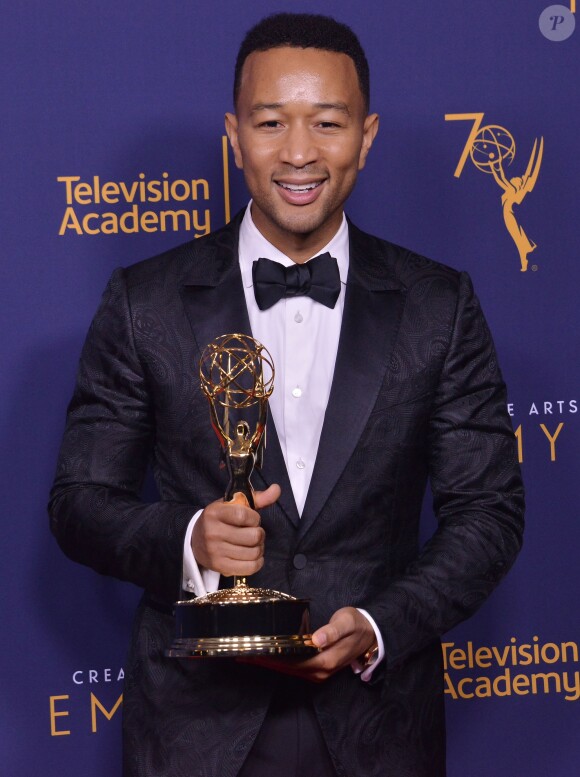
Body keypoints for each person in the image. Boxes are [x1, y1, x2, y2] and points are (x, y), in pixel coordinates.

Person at [49, 12, 524, 777]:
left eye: (327, 123)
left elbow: (489, 512)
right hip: (197, 730)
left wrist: (378, 622)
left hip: (378, 725)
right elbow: (78, 502)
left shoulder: (441, 304)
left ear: (365, 137)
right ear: (233, 136)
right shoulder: (146, 301)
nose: (299, 152)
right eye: (271, 122)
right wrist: (188, 540)